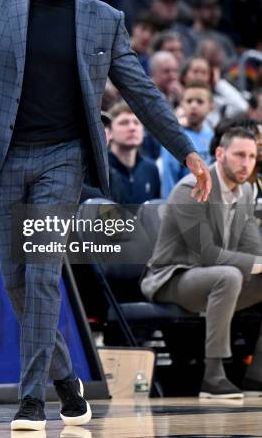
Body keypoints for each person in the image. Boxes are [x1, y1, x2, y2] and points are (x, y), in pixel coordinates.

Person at [0, 0, 211, 430]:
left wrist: (187, 151)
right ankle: (65, 380)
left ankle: (30, 401)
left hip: (65, 158)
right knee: (16, 282)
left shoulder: (104, 19)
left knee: (41, 274)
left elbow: (143, 93)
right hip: (6, 157)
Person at [141, 127, 262, 399]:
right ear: (219, 154)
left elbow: (253, 248)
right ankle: (213, 377)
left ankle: (257, 377)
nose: (246, 163)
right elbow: (206, 254)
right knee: (229, 276)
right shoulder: (191, 188)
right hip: (172, 277)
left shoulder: (245, 193)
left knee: (233, 274)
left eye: (252, 156)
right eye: (239, 155)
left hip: (215, 277)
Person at [161, 82, 214, 198]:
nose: (193, 105)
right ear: (181, 104)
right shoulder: (174, 136)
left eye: (200, 101)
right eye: (189, 101)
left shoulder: (212, 135)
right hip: (182, 200)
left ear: (211, 107)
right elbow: (168, 175)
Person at [108, 101, 160, 204]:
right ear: (109, 132)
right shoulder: (100, 169)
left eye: (136, 122)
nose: (132, 128)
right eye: (124, 123)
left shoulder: (151, 168)